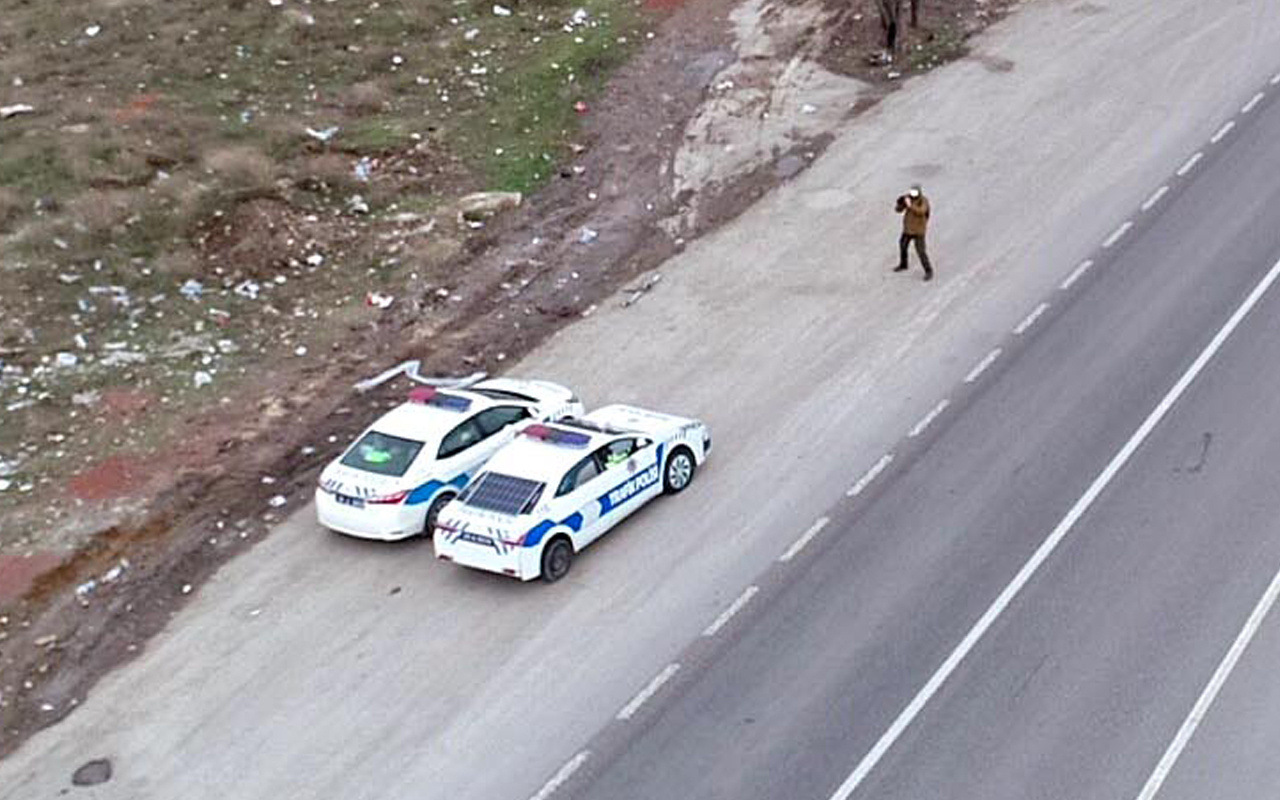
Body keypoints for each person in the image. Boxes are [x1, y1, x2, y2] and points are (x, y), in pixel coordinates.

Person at [893, 184, 933, 281]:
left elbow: (921, 211)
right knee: (902, 245)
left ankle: (929, 270)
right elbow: (898, 210)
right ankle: (903, 264)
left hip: (919, 230)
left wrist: (910, 206)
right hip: (908, 229)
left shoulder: (923, 201)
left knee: (921, 251)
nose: (913, 194)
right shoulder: (908, 198)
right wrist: (900, 204)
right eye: (912, 192)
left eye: (915, 192)